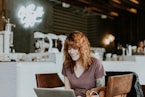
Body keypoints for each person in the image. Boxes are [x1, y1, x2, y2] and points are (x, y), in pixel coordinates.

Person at [62, 31, 106, 97]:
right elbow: (67, 92)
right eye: (69, 48)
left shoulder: (96, 64)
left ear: (82, 48)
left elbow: (102, 93)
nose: (71, 52)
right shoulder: (66, 65)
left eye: (75, 48)